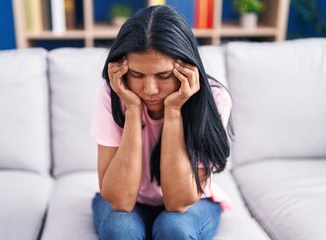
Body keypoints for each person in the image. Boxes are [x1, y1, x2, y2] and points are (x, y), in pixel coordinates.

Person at [90, 5, 232, 240]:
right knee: (121, 229)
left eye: (164, 76)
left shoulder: (215, 99)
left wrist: (174, 110)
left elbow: (177, 202)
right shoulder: (111, 94)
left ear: (187, 68)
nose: (150, 90)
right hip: (129, 200)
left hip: (191, 202)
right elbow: (122, 201)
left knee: (174, 229)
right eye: (136, 75)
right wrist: (133, 109)